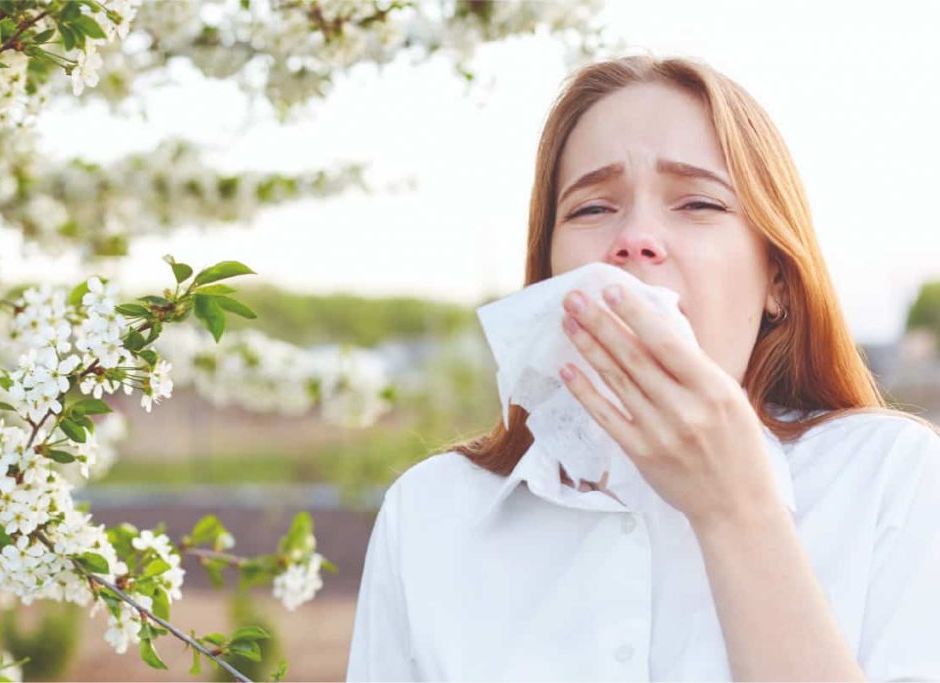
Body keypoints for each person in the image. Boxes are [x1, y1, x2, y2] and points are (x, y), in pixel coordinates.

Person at [345, 53, 940, 682]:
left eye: (698, 204)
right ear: (549, 271)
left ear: (778, 281)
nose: (635, 238)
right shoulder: (430, 511)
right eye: (593, 209)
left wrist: (736, 509)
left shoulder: (892, 479)